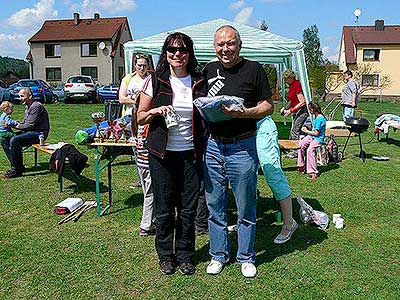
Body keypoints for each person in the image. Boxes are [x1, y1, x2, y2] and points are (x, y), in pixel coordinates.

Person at [203, 25, 273, 278]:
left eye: (230, 43)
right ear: (215, 47)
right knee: (215, 205)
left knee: (245, 206)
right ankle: (218, 255)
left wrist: (246, 112)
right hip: (212, 146)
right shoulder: (209, 70)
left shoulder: (254, 69)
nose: (225, 49)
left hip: (242, 146)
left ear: (239, 45)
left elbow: (268, 105)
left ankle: (246, 256)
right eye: (220, 44)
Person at [137, 32, 206, 276]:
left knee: (188, 209)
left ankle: (186, 255)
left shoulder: (199, 80)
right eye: (172, 50)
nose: (177, 54)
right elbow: (139, 117)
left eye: (183, 49)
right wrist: (155, 111)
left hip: (191, 154)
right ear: (165, 53)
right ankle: (166, 256)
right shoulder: (154, 80)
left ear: (190, 53)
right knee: (165, 207)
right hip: (162, 155)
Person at [119, 54, 155, 236]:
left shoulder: (134, 123)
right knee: (151, 194)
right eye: (138, 65)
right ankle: (146, 226)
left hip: (141, 163)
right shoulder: (146, 123)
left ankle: (151, 222)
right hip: (148, 163)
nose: (141, 67)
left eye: (144, 64)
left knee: (149, 192)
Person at [256, 115, 298, 244]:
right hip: (242, 131)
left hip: (262, 127)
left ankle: (289, 223)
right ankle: (245, 221)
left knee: (273, 173)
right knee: (245, 175)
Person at [1, 87, 50, 178]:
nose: (20, 98)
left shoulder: (36, 106)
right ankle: (17, 166)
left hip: (39, 134)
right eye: (19, 96)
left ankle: (16, 170)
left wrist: (12, 125)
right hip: (30, 131)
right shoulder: (28, 106)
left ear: (30, 96)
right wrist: (15, 123)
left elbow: (29, 125)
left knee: (15, 140)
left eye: (22, 96)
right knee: (4, 139)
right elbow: (25, 123)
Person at [282, 70, 308, 158]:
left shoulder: (296, 85)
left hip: (302, 111)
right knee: (294, 130)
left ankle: (296, 151)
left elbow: (302, 102)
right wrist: (285, 108)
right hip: (297, 110)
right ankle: (296, 148)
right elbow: (292, 100)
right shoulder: (292, 85)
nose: (285, 81)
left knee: (295, 131)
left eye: (286, 79)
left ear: (291, 78)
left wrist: (290, 111)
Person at [297, 101, 326, 179]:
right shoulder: (316, 117)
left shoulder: (320, 119)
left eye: (310, 109)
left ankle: (313, 172)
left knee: (310, 150)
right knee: (301, 145)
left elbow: (316, 133)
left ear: (313, 109)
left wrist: (306, 131)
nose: (309, 111)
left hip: (318, 138)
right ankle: (301, 166)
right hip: (311, 136)